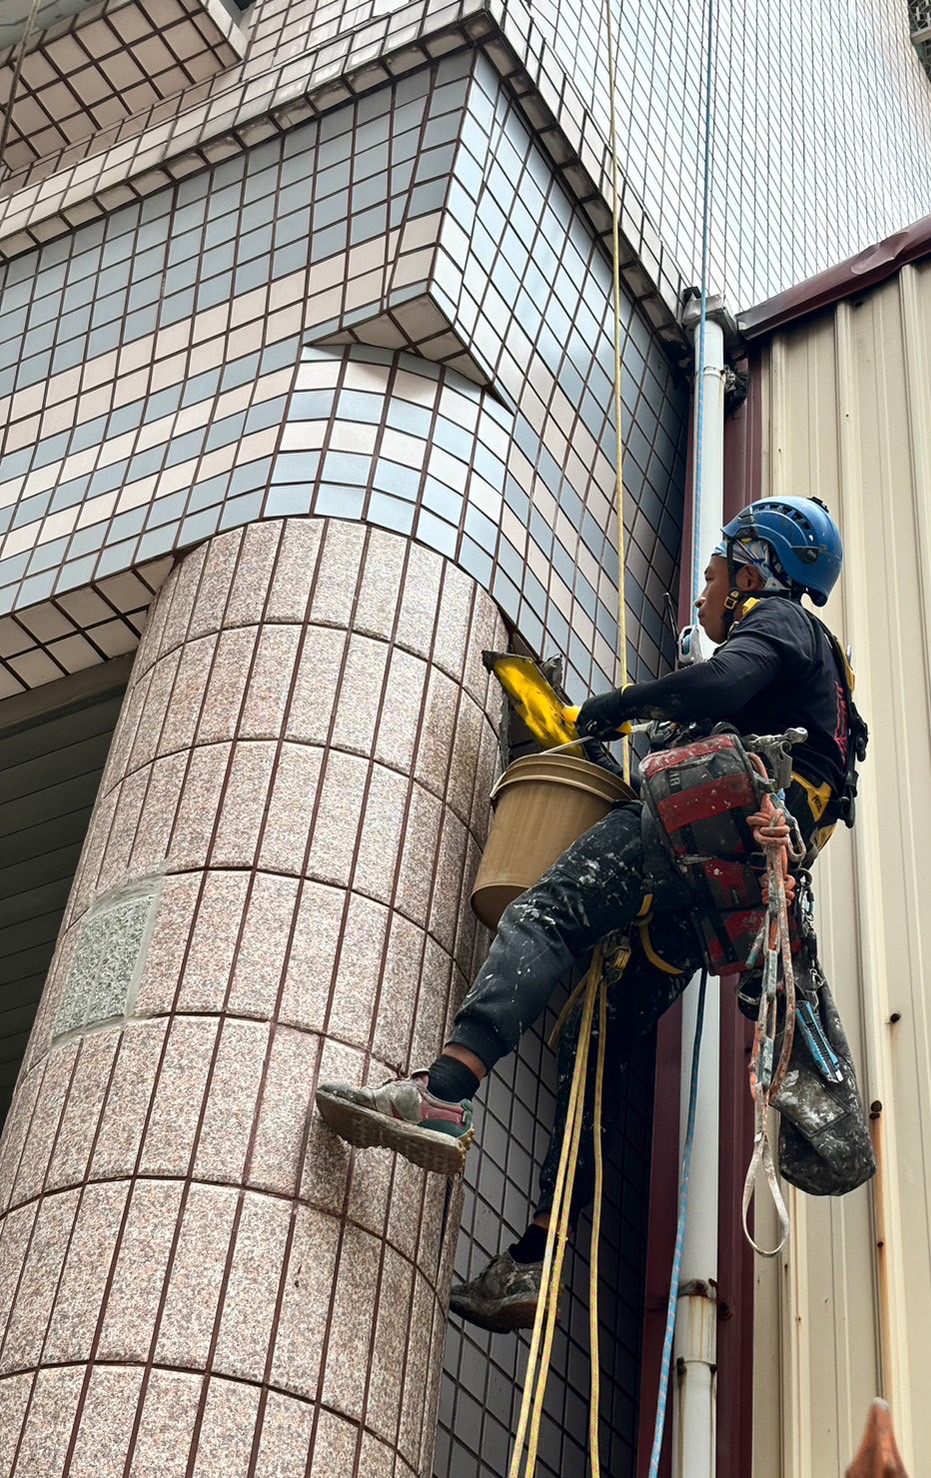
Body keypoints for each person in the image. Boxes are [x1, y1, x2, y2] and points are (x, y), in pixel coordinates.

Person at [316, 495, 863, 1332]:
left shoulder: (782, 624)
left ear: (755, 568)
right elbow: (733, 705)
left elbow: (724, 676)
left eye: (717, 572)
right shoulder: (814, 690)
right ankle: (537, 1259)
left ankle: (442, 1094)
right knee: (592, 1049)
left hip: (702, 828)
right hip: (722, 894)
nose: (708, 590)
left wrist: (613, 707)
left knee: (548, 917)